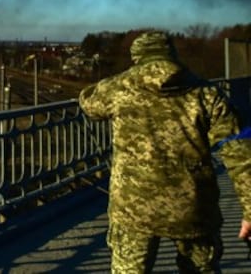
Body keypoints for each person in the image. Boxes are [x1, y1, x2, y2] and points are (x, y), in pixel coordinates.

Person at [78, 30, 251, 273]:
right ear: (173, 54)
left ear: (137, 57)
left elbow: (89, 103)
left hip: (133, 209)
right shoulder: (207, 94)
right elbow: (240, 155)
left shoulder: (119, 89)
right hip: (193, 209)